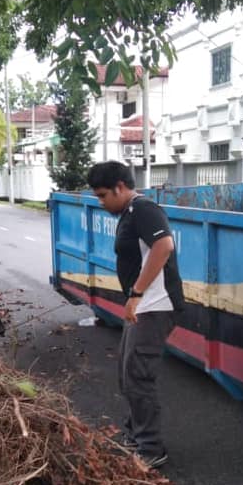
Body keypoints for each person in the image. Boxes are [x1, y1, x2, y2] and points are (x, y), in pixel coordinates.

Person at [87, 161, 185, 468]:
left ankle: (151, 448)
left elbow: (164, 246)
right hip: (143, 305)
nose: (101, 203)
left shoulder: (144, 209)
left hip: (156, 305)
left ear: (120, 186)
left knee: (138, 376)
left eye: (103, 195)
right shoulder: (129, 213)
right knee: (127, 374)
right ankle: (135, 434)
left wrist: (138, 293)